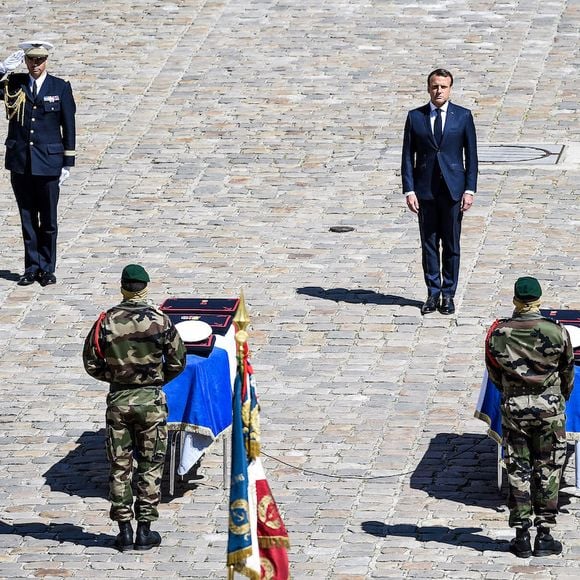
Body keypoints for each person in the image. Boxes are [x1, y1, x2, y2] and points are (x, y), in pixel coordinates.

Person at [82, 265, 186, 551]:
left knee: (119, 466)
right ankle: (145, 530)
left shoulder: (107, 320)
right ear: (146, 287)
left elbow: (91, 362)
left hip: (119, 402)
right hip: (151, 402)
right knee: (151, 465)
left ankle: (124, 531)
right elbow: (178, 360)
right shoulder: (160, 319)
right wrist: (155, 380)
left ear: (123, 288)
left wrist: (115, 377)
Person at [485, 276, 574, 558]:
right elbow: (567, 372)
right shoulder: (557, 331)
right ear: (538, 300)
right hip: (549, 409)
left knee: (518, 469)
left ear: (515, 300)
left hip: (514, 409)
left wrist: (511, 393)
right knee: (548, 470)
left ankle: (521, 535)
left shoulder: (499, 333)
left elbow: (494, 374)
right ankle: (545, 534)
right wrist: (559, 398)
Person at [401, 68, 478, 315]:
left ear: (450, 89)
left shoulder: (463, 117)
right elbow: (407, 157)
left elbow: (472, 157)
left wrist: (469, 189)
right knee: (430, 244)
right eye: (435, 86)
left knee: (452, 245)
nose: (439, 91)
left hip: (453, 191)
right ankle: (433, 293)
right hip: (426, 192)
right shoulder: (415, 117)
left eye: (443, 87)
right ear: (428, 88)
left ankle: (449, 294)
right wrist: (409, 190)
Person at [0, 40, 76, 286]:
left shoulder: (60, 87)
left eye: (40, 60)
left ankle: (47, 268)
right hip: (21, 161)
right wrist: (2, 70)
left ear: (46, 61)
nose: (36, 65)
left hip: (49, 162)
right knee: (27, 218)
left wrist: (67, 162)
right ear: (26, 61)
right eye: (32, 60)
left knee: (49, 220)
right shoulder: (15, 83)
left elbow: (69, 125)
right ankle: (31, 267)